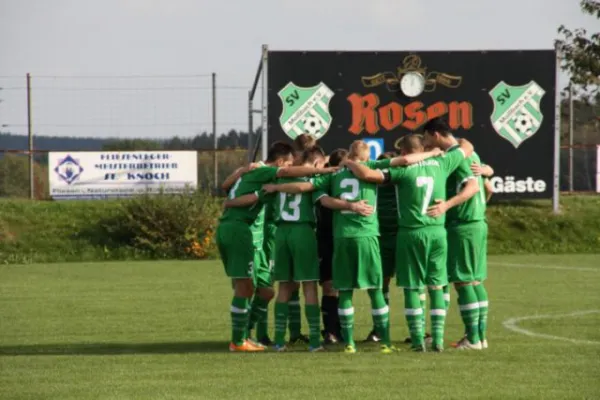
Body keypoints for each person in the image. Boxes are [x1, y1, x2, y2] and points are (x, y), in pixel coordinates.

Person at [264, 140, 442, 354]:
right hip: (367, 236)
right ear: (366, 158)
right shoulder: (371, 168)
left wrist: (276, 187)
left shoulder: (334, 174)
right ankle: (385, 342)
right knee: (375, 289)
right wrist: (432, 153)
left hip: (341, 236)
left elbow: (316, 194)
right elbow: (404, 160)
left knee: (343, 291)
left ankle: (347, 343)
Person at [344, 134, 473, 352]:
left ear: (404, 153)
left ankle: (417, 341)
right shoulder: (443, 162)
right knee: (436, 286)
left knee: (412, 288)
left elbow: (367, 174)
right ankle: (438, 340)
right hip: (437, 231)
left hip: (411, 233)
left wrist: (349, 162)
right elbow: (466, 145)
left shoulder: (402, 171)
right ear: (422, 147)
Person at [217, 141, 334, 352]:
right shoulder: (268, 172)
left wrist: (236, 192)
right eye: (288, 165)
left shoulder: (255, 173)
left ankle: (266, 338)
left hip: (275, 234)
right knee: (305, 287)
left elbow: (227, 188)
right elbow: (302, 186)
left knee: (272, 289)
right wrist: (330, 170)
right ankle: (240, 340)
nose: (288, 169)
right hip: (284, 233)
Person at [270, 146, 374, 351]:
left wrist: (275, 188)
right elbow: (306, 189)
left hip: (281, 233)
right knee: (309, 286)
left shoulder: (281, 178)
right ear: (318, 164)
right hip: (303, 232)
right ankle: (316, 341)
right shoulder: (315, 179)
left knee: (284, 287)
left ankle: (279, 341)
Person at [317, 148, 347, 344]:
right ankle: (332, 331)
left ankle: (334, 331)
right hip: (332, 237)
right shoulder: (331, 182)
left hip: (330, 237)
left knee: (334, 287)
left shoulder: (324, 180)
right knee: (335, 286)